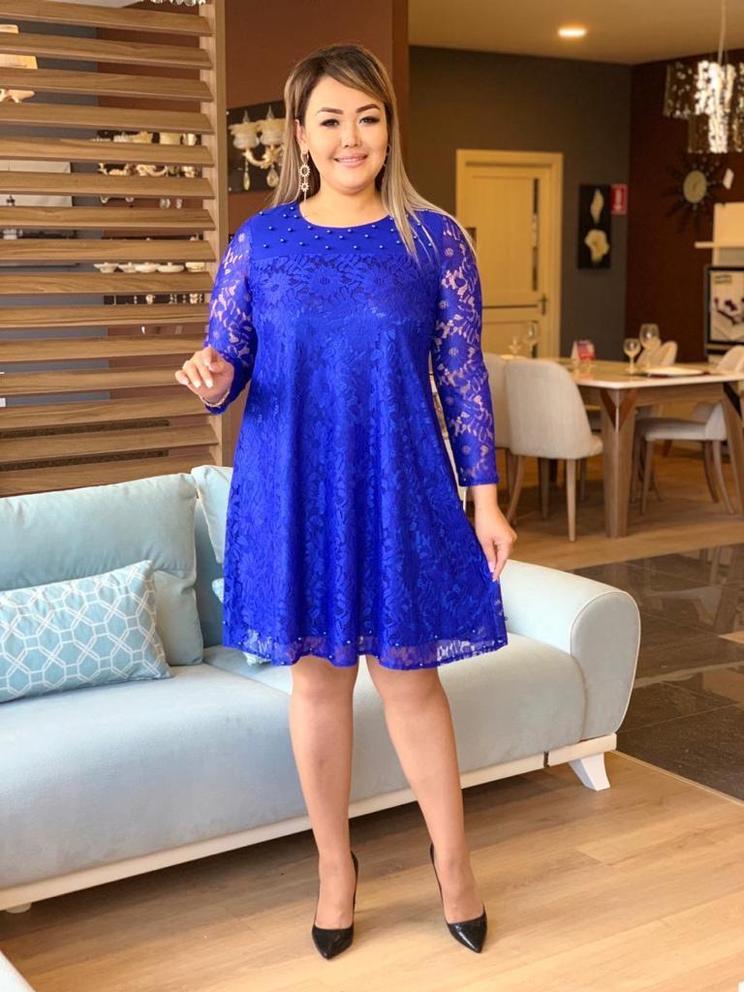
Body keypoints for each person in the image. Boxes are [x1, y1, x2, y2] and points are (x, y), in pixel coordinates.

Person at [175, 42, 517, 958]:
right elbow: (227, 362)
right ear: (300, 134)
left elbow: (463, 378)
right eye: (330, 119)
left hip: (400, 481)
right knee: (318, 683)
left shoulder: (433, 241)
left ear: (390, 129)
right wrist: (211, 378)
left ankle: (454, 865)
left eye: (368, 116)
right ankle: (336, 869)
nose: (351, 136)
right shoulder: (260, 243)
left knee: (411, 681)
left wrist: (485, 501)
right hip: (292, 486)